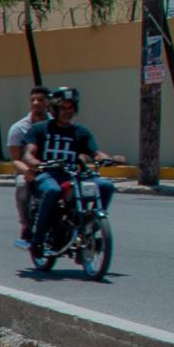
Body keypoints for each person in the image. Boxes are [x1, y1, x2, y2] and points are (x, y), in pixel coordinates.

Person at [27, 87, 119, 250]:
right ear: (54, 109)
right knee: (52, 191)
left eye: (70, 108)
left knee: (106, 186)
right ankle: (38, 239)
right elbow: (28, 153)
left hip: (74, 175)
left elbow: (95, 152)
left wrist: (108, 159)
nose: (67, 111)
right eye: (63, 108)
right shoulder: (40, 129)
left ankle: (91, 226)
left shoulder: (80, 131)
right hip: (48, 174)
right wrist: (34, 162)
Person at [5, 86, 51, 247]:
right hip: (29, 170)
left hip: (54, 170)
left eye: (40, 100)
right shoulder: (18, 128)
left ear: (49, 103)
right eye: (33, 100)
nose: (36, 103)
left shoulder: (57, 123)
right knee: (22, 185)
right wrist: (27, 171)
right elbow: (15, 160)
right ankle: (25, 225)